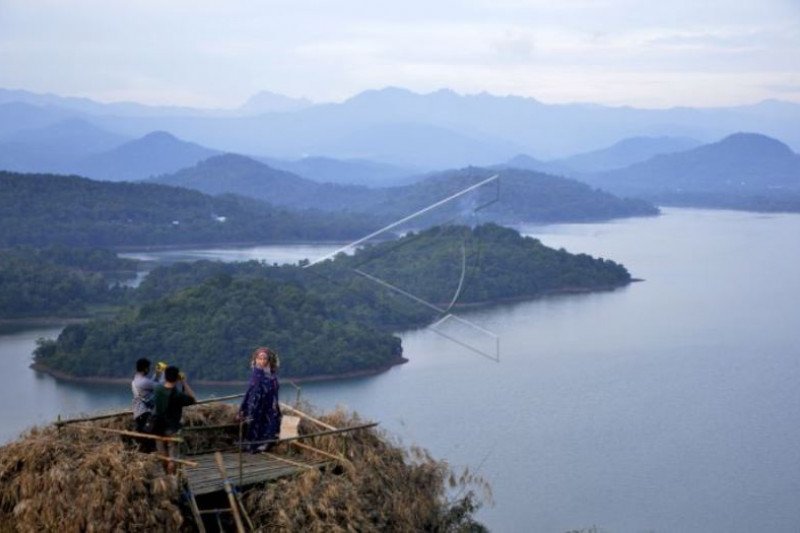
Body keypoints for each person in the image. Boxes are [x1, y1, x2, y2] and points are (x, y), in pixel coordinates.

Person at [152, 365, 196, 473]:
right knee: (173, 458)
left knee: (162, 455)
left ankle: (167, 477)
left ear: (165, 376)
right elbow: (193, 399)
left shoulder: (157, 389)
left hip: (158, 427)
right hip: (172, 429)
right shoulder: (178, 395)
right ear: (177, 378)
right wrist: (184, 382)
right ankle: (173, 478)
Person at [238, 347, 281, 452]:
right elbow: (250, 391)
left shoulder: (272, 375)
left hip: (269, 404)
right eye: (259, 358)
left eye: (264, 359)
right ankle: (253, 445)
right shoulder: (256, 375)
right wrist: (244, 407)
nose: (262, 361)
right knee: (254, 424)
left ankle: (265, 444)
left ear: (268, 360)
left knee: (270, 423)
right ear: (255, 359)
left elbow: (274, 390)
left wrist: (275, 403)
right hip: (256, 405)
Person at [131, 358, 159, 451]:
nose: (149, 370)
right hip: (145, 414)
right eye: (148, 368)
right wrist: (162, 374)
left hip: (138, 414)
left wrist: (156, 375)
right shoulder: (144, 381)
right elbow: (159, 387)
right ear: (145, 368)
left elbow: (149, 384)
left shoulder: (135, 380)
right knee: (151, 440)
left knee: (145, 440)